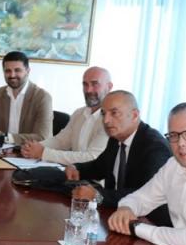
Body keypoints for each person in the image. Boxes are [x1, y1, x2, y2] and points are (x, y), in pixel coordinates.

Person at [108, 102, 186, 245]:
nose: (181, 143)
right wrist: (126, 209)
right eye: (174, 135)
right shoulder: (173, 166)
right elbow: (140, 198)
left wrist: (136, 228)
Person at [66, 90, 172, 225]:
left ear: (134, 115)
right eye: (103, 113)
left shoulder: (155, 147)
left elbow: (145, 194)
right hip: (115, 217)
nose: (106, 120)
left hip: (147, 223)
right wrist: (77, 168)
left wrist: (97, 196)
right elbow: (99, 167)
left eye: (114, 113)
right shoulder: (116, 138)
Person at [21, 66, 111, 164]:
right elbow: (61, 141)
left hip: (92, 174)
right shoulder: (79, 113)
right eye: (85, 84)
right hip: (73, 171)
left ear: (109, 87)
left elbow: (92, 157)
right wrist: (31, 147)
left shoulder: (110, 120)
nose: (88, 90)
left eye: (95, 84)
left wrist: (43, 153)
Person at [0, 51, 52, 144]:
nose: (12, 75)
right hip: (3, 150)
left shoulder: (42, 97)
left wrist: (5, 137)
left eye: (17, 70)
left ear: (27, 71)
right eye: (8, 71)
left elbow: (42, 137)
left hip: (29, 151)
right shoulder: (0, 93)